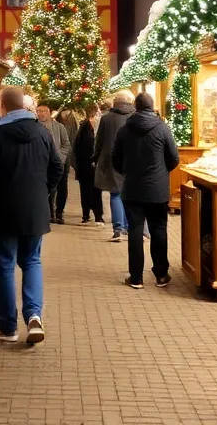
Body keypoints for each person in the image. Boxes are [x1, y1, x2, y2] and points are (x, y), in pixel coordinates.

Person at [0, 86, 63, 344]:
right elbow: (57, 167)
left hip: (5, 210)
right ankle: (34, 316)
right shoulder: (42, 131)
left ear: (2, 105)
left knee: (5, 265)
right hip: (35, 210)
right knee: (32, 261)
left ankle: (8, 325)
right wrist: (43, 192)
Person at [112, 92, 180, 289]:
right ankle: (161, 274)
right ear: (152, 107)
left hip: (132, 188)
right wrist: (161, 171)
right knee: (159, 229)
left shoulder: (125, 130)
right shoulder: (162, 129)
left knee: (135, 230)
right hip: (157, 189)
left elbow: (115, 158)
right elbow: (174, 157)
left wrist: (126, 172)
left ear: (136, 107)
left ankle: (136, 277)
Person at [93, 92, 134, 242]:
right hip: (132, 161)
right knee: (129, 195)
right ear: (130, 101)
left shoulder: (106, 118)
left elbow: (99, 140)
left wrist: (95, 157)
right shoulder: (134, 116)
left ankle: (118, 228)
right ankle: (130, 227)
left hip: (111, 160)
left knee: (116, 194)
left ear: (114, 103)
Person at [36, 104, 72, 224]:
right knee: (49, 189)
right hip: (42, 164)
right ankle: (50, 213)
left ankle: (59, 213)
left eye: (44, 111)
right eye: (39, 111)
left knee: (62, 188)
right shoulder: (34, 127)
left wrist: (60, 158)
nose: (41, 114)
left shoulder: (59, 127)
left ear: (49, 112)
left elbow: (66, 144)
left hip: (58, 163)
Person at [73, 105, 103, 226]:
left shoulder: (83, 127)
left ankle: (88, 215)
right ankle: (95, 215)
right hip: (89, 165)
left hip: (85, 165)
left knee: (87, 190)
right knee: (93, 191)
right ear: (93, 115)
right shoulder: (88, 129)